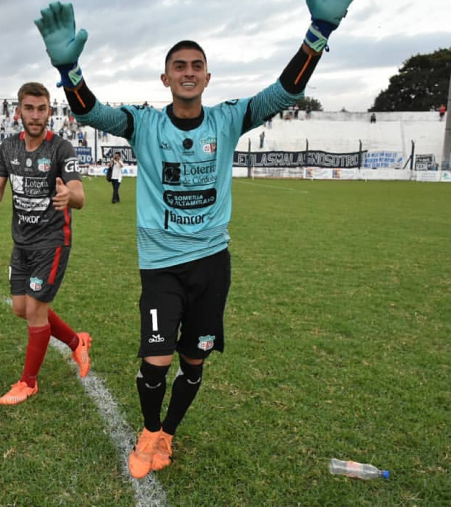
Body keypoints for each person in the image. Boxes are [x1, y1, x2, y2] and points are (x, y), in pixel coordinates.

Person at [35, 0, 353, 478]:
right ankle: (148, 430)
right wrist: (68, 69)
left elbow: (286, 92)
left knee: (194, 358)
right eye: (178, 66)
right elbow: (92, 113)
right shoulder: (145, 123)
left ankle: (168, 434)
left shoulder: (228, 119)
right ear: (165, 79)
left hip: (211, 263)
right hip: (161, 263)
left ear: (208, 78)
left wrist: (320, 30)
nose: (188, 72)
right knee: (156, 358)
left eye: (196, 66)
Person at [0, 82, 91, 405]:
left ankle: (28, 382)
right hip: (22, 242)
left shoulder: (61, 148)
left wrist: (70, 195)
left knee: (36, 313)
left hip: (52, 241)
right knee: (21, 308)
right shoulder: (8, 147)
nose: (36, 115)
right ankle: (76, 341)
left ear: (50, 112)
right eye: (29, 108)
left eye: (42, 109)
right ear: (19, 112)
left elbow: (79, 194)